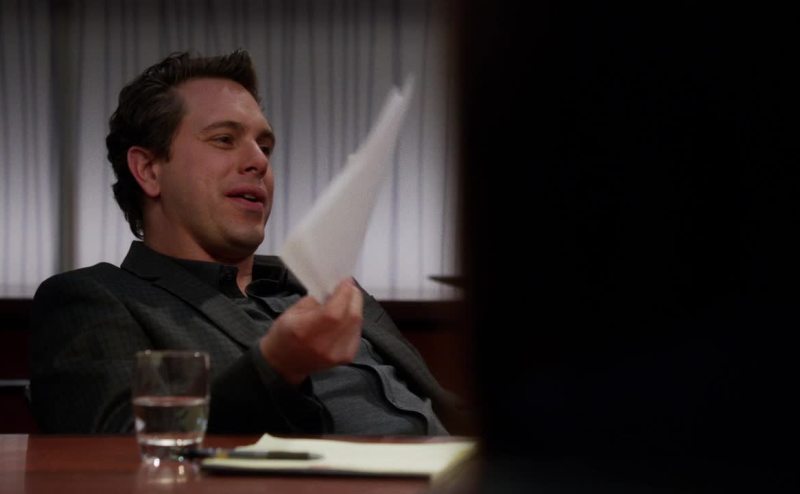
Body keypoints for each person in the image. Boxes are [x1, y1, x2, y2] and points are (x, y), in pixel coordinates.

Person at [29, 50, 465, 436]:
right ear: (148, 170)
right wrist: (276, 366)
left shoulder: (325, 286)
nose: (258, 161)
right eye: (224, 139)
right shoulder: (94, 300)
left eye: (265, 146)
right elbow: (123, 451)